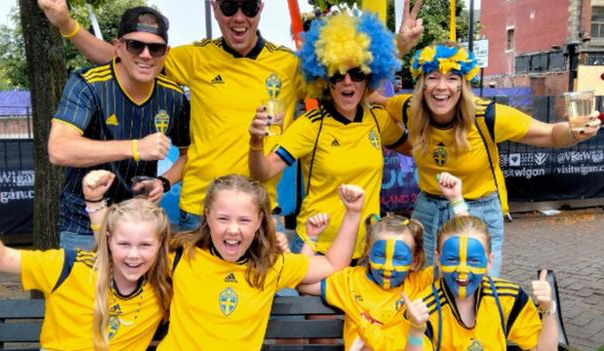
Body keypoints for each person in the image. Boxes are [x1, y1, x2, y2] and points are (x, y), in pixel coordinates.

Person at [37, 0, 303, 231]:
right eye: (229, 6)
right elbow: (127, 58)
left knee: (259, 290)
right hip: (200, 207)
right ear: (215, 7)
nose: (239, 16)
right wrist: (67, 25)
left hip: (257, 208)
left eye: (249, 6)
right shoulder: (195, 56)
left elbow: (338, 87)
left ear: (261, 9)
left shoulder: (290, 64)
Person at [375, 42, 601, 277]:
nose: (441, 87)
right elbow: (373, 98)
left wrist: (575, 132)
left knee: (479, 292)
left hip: (478, 210)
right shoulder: (410, 108)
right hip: (428, 210)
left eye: (452, 78)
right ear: (422, 84)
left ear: (464, 85)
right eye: (433, 77)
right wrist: (397, 45)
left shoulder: (488, 117)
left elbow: (552, 135)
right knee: (425, 289)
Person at [248, 6, 422, 260]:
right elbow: (262, 172)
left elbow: (420, 149)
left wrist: (424, 106)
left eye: (357, 73)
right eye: (337, 75)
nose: (348, 82)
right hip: (317, 248)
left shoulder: (377, 119)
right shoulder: (311, 125)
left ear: (370, 78)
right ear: (324, 79)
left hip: (366, 251)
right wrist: (255, 142)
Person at [157, 174, 365, 350]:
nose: (233, 229)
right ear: (207, 216)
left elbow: (332, 264)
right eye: (223, 219)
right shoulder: (179, 255)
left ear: (259, 222)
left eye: (244, 220)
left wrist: (353, 213)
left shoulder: (271, 265)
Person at [355, 173, 558, 351]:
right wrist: (416, 331)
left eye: (473, 261)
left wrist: (548, 308)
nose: (462, 269)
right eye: (452, 259)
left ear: (489, 261)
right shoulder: (425, 306)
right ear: (437, 259)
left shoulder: (509, 298)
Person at [44, 6, 190, 251]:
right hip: (83, 224)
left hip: (138, 225)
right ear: (118, 46)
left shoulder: (173, 95)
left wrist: (164, 182)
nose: (146, 55)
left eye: (155, 48)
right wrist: (134, 148)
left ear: (166, 52)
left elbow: (189, 154)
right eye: (135, 45)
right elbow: (58, 150)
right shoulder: (87, 84)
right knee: (84, 290)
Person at [0, 170, 173, 350]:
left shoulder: (162, 283)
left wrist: (94, 201)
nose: (133, 254)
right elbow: (1, 258)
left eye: (145, 245)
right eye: (124, 244)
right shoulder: (68, 267)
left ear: (160, 245)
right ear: (108, 240)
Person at [295, 173, 462, 351]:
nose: (387, 266)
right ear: (368, 253)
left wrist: (457, 202)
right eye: (380, 256)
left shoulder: (420, 282)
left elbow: (463, 257)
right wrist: (311, 240)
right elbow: (302, 281)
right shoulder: (351, 281)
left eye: (398, 258)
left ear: (414, 261)